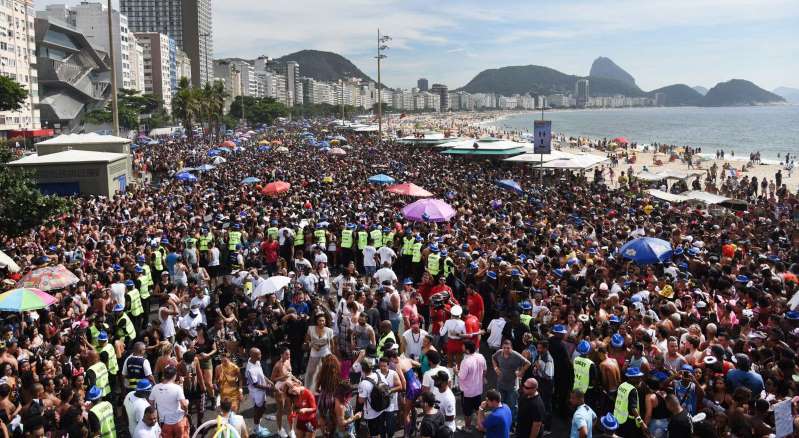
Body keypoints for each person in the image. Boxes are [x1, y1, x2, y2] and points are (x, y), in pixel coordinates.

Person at [492, 339, 530, 422]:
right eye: (504, 348)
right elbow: (493, 358)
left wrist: (521, 372)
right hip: (501, 384)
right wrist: (496, 368)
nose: (506, 350)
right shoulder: (499, 352)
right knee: (500, 404)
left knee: (512, 406)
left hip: (512, 386)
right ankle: (502, 421)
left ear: (511, 348)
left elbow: (528, 363)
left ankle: (512, 424)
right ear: (502, 347)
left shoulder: (515, 355)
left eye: (508, 348)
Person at [150, 365, 189, 438]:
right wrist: (186, 412)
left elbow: (151, 404)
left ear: (164, 375)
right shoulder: (177, 388)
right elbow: (184, 405)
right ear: (174, 376)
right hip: (178, 421)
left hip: (164, 423)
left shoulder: (155, 388)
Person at [457, 341, 486, 432]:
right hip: (478, 389)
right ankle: (482, 426)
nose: (462, 347)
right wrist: (483, 378)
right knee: (478, 409)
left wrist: (455, 371)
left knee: (467, 412)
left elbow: (461, 376)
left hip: (467, 392)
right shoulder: (481, 356)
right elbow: (485, 370)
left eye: (463, 346)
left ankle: (467, 427)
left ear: (468, 350)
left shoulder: (465, 362)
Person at [357, 359, 386, 438]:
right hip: (382, 409)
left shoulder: (364, 383)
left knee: (373, 434)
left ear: (363, 370)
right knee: (380, 431)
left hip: (371, 414)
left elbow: (361, 401)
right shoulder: (380, 375)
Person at [245, 348, 271, 429]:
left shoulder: (256, 361)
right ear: (253, 356)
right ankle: (257, 428)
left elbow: (261, 373)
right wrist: (268, 387)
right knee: (259, 410)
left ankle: (258, 424)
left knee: (262, 407)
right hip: (257, 392)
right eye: (259, 354)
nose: (261, 355)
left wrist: (269, 381)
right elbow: (255, 385)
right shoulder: (250, 370)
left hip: (262, 390)